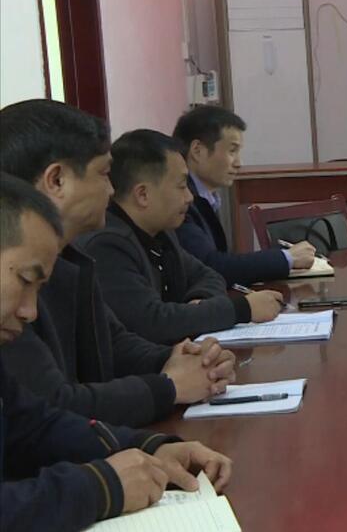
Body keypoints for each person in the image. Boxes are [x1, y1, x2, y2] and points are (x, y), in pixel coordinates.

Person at [0, 171, 233, 531]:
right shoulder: (108, 244)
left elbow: (34, 426)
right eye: (25, 281)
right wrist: (101, 486)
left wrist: (150, 447)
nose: (30, 311)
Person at [0, 100, 234, 427]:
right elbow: (53, 406)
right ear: (57, 180)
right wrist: (167, 387)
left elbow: (114, 342)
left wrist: (180, 360)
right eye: (104, 174)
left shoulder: (70, 258)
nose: (112, 190)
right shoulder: (12, 289)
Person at [77, 129, 284, 344]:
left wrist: (201, 304)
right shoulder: (107, 246)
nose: (189, 197)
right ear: (143, 194)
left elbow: (209, 275)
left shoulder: (161, 233)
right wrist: (242, 309)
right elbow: (152, 323)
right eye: (182, 186)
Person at [172, 105, 317, 285]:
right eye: (232, 151)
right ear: (197, 151)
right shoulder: (178, 200)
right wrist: (287, 258)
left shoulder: (205, 196)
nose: (239, 163)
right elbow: (210, 266)